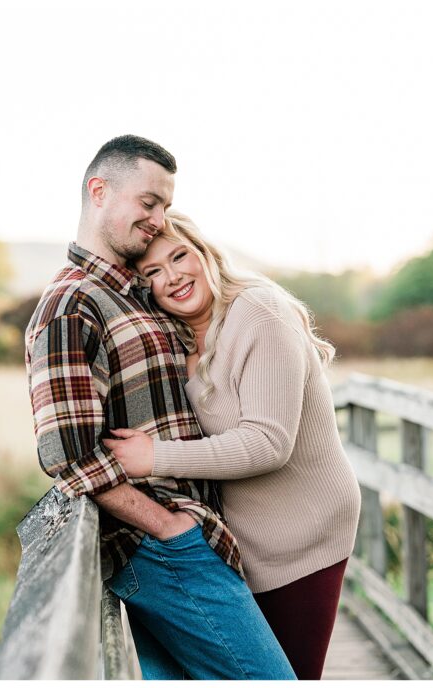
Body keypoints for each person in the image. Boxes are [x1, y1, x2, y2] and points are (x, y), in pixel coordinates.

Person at [24, 135, 295, 680]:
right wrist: (167, 527)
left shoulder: (130, 292)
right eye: (148, 203)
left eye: (165, 206)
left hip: (190, 533)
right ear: (99, 191)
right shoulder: (70, 305)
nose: (157, 218)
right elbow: (66, 453)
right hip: (163, 546)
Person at [103, 209, 362, 680]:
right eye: (153, 273)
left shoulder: (258, 313)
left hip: (302, 529)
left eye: (179, 256)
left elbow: (268, 443)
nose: (173, 277)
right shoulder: (179, 338)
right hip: (245, 536)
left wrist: (152, 456)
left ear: (206, 253)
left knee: (287, 674)